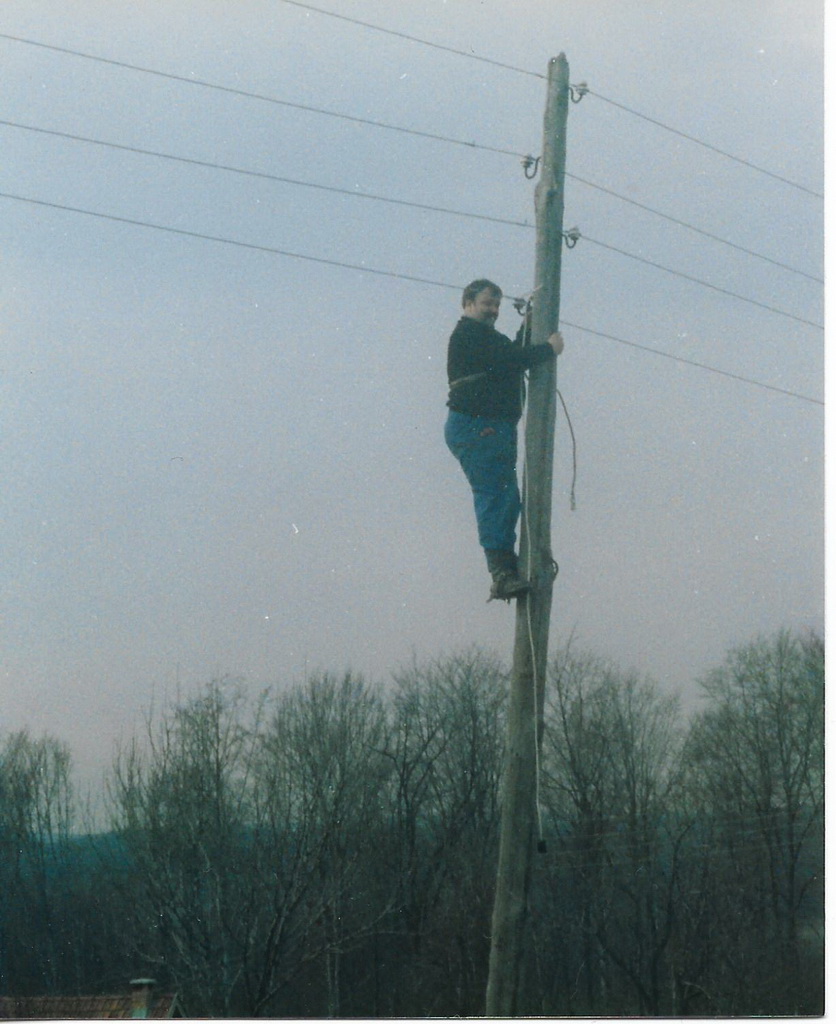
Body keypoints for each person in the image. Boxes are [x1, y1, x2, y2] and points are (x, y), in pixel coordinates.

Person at [444, 278, 564, 602]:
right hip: (478, 426)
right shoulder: (469, 334)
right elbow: (510, 360)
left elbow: (509, 354)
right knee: (497, 495)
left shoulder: (483, 336)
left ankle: (507, 570)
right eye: (487, 303)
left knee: (504, 497)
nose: (494, 310)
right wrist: (548, 349)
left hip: (488, 426)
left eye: (497, 305)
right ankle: (502, 574)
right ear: (468, 303)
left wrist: (530, 326)